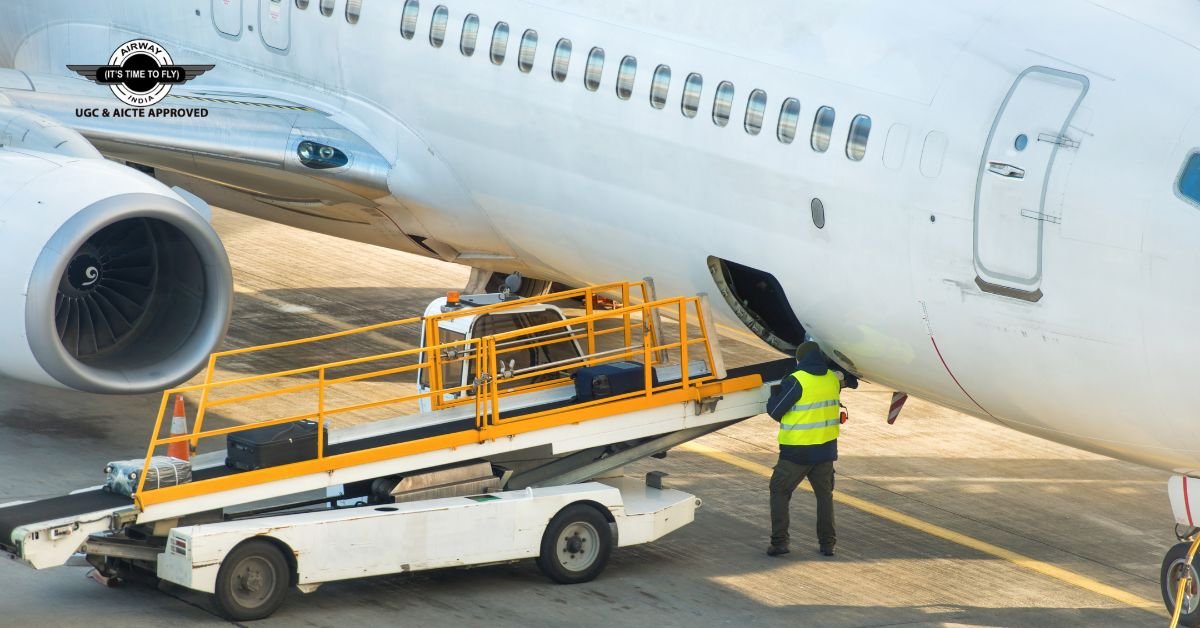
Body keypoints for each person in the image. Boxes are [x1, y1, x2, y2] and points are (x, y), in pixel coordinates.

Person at [764, 340, 856, 557]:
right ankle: (827, 544)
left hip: (796, 452)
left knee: (779, 491)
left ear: (800, 359)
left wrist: (773, 396)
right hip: (825, 451)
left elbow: (775, 410)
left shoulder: (797, 381)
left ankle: (780, 543)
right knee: (824, 497)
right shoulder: (832, 380)